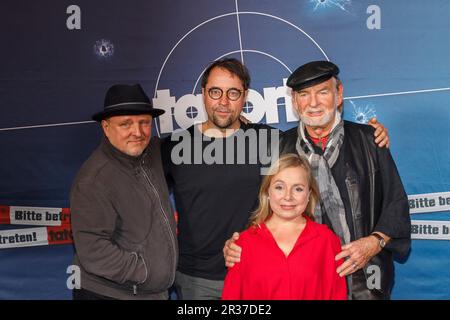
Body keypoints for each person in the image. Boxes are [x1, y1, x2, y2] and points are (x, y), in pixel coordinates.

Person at [162, 58, 389, 300]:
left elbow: (314, 157)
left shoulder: (271, 141)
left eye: (233, 93)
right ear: (204, 93)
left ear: (245, 96)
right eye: (215, 92)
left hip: (260, 274)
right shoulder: (174, 146)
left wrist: (371, 137)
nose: (223, 102)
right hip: (197, 280)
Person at [224, 61, 411, 300]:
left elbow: (396, 204)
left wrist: (374, 243)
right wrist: (237, 242)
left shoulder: (370, 140)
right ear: (294, 101)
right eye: (304, 94)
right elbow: (261, 209)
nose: (313, 103)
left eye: (323, 92)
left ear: (339, 94)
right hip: (305, 282)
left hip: (365, 278)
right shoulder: (278, 148)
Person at [70, 84, 178, 300]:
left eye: (144, 123)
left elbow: (195, 146)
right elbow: (94, 251)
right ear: (106, 127)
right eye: (126, 124)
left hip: (150, 292)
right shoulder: (93, 179)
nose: (137, 132)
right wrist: (147, 271)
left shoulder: (152, 151)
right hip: (111, 294)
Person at [221, 154, 347, 300]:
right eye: (279, 187)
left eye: (298, 189)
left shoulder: (327, 241)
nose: (288, 196)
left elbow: (337, 295)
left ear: (308, 195)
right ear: (267, 192)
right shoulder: (243, 243)